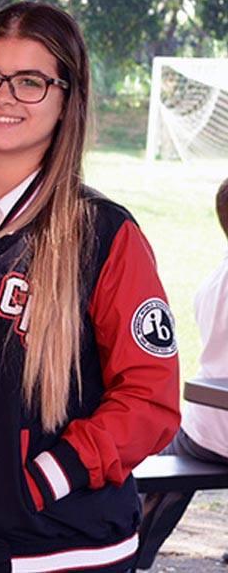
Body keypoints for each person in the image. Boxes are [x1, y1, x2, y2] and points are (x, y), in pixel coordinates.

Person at [0, 1, 181, 573]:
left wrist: (47, 477)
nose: (3, 97)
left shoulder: (102, 233)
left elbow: (150, 399)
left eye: (30, 82)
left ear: (67, 99)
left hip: (56, 546)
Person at [135, 176, 228, 569]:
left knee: (179, 446)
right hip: (217, 428)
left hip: (208, 427)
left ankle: (135, 547)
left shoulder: (216, 278)